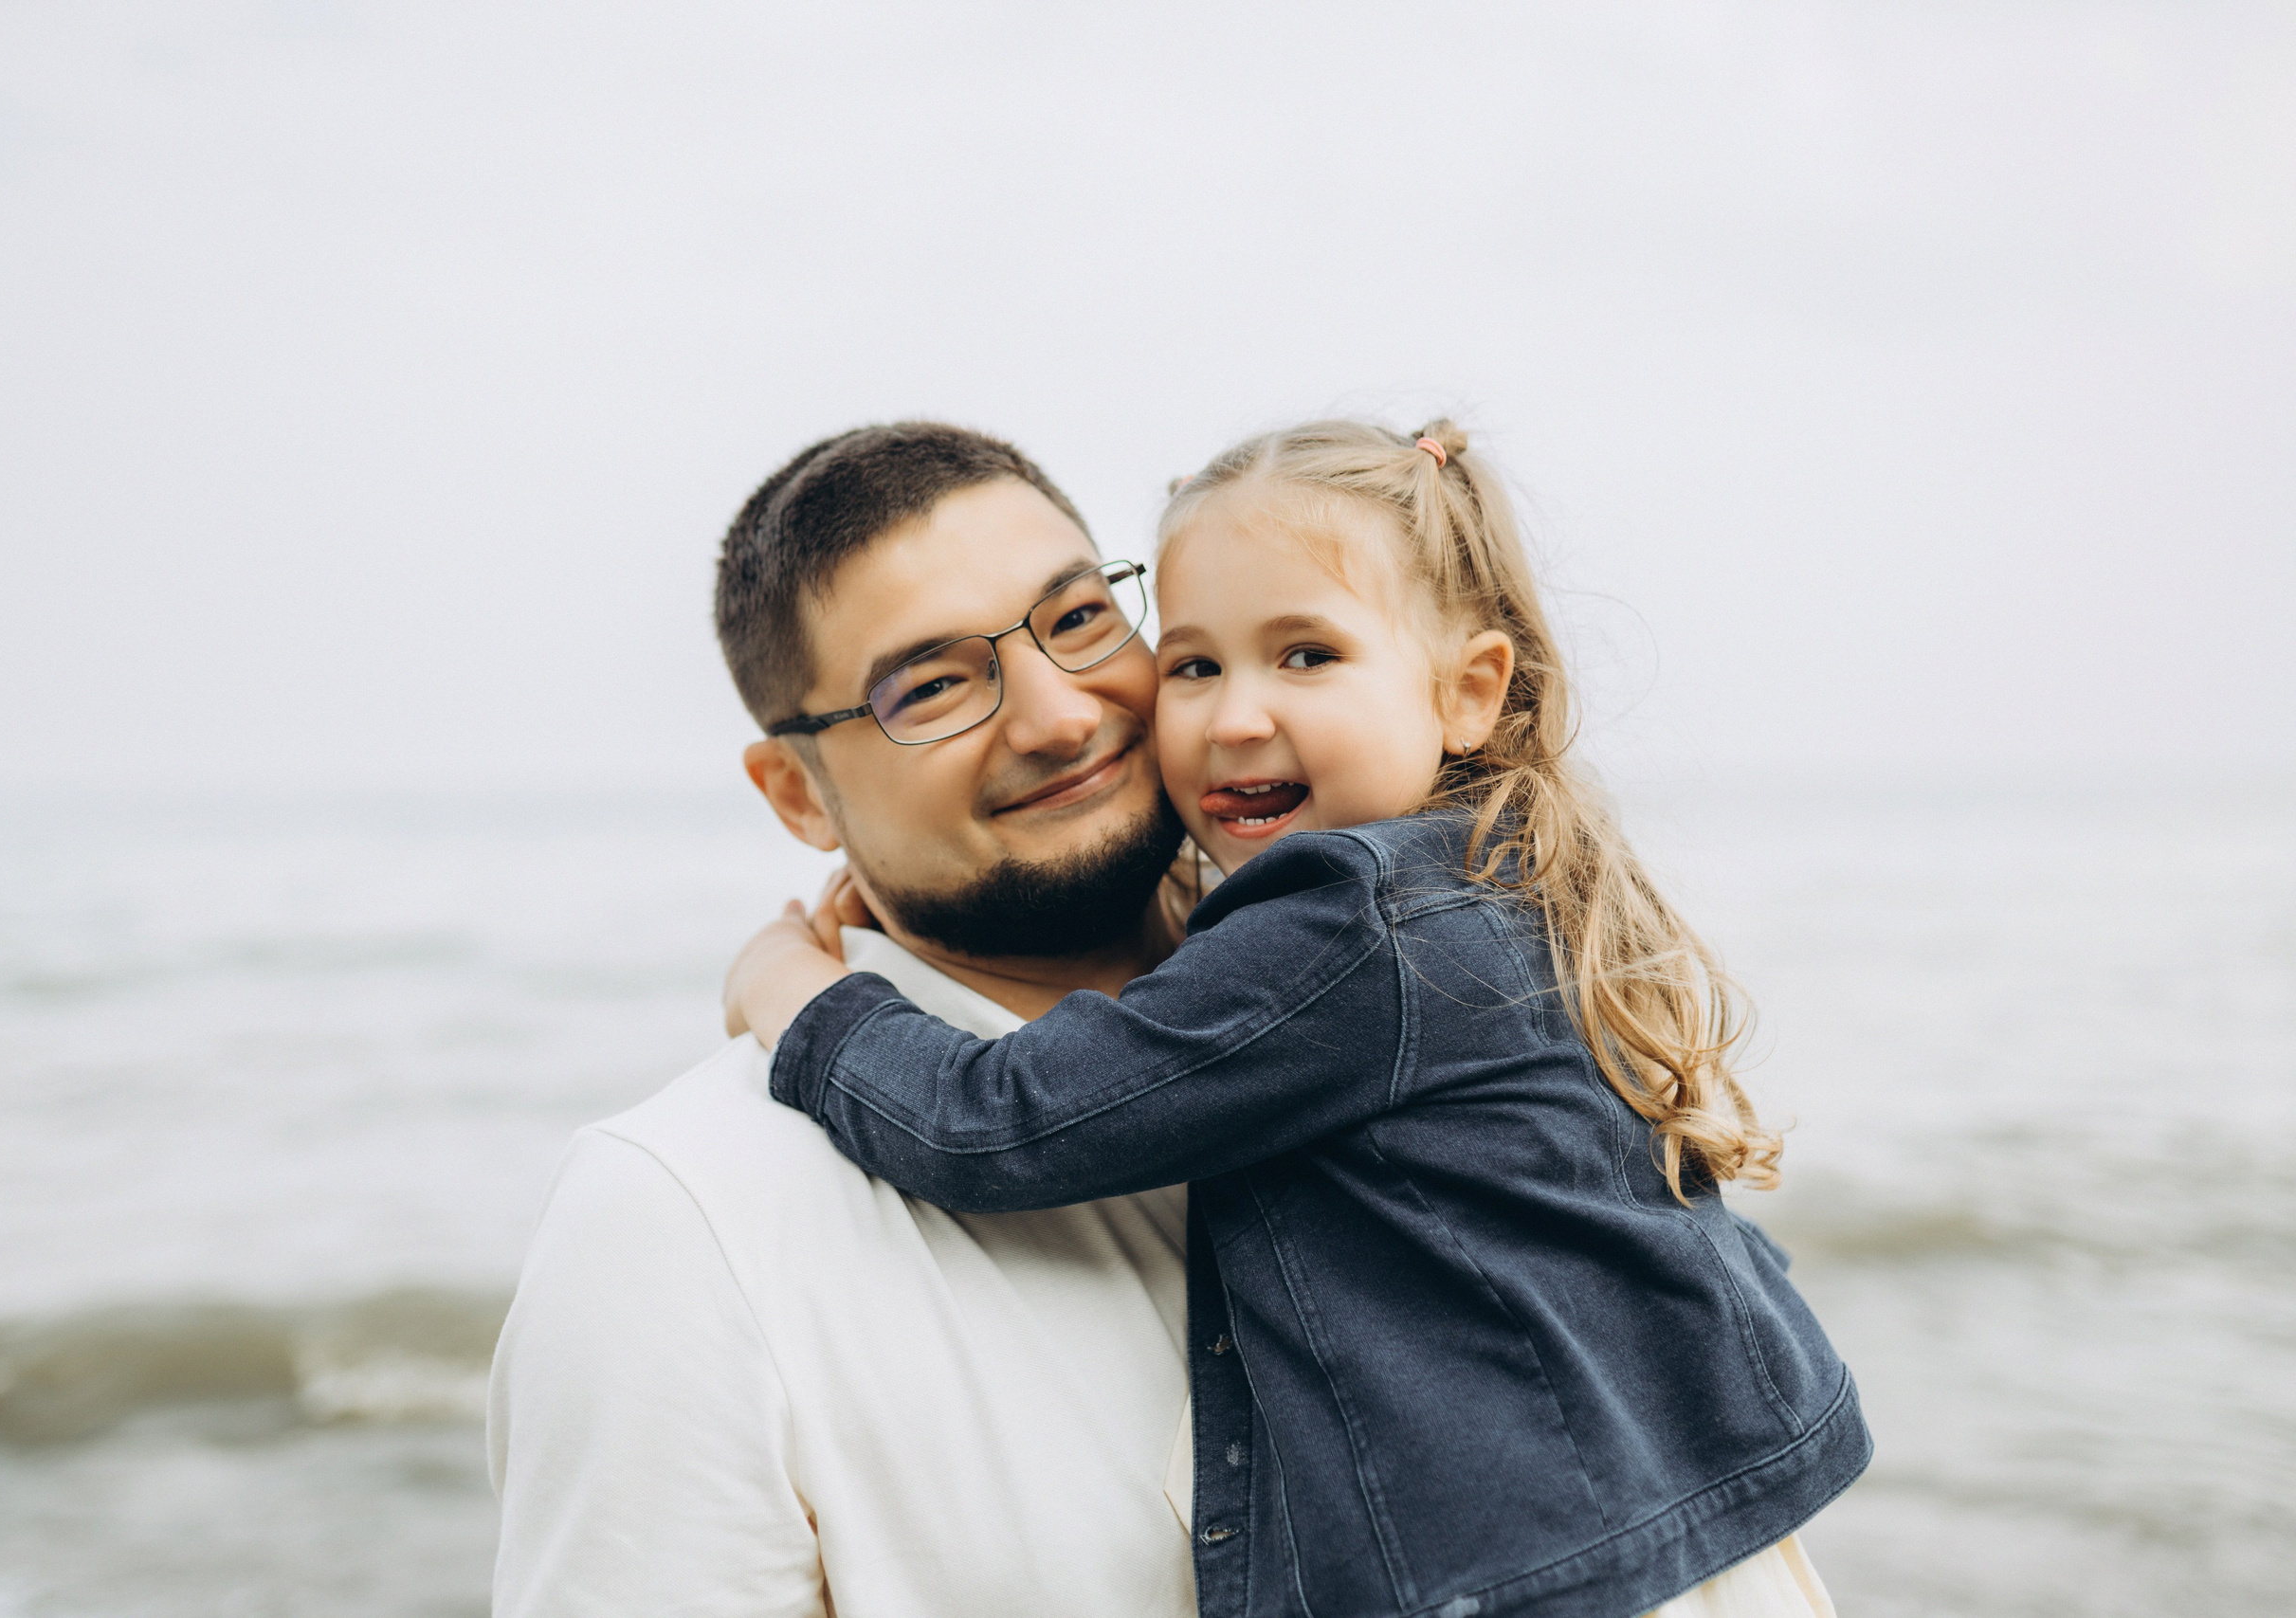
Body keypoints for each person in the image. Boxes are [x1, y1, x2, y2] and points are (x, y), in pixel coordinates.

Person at [729, 420, 1870, 1618]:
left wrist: (796, 994)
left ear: (1469, 691)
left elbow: (996, 1123)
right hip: (1666, 1537)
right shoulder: (1477, 879)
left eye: (1307, 656)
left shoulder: (1349, 922)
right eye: (1195, 665)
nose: (1233, 718)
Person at [487, 423, 1205, 1616]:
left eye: (1079, 620)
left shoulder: (1388, 1033)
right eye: (929, 687)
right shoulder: (680, 1222)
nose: (1057, 716)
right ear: (795, 795)